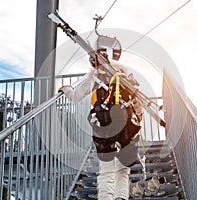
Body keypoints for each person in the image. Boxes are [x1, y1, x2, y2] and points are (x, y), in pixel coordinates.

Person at [59, 59, 143, 200]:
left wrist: (66, 90)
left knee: (106, 171)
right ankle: (121, 197)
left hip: (104, 129)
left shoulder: (94, 75)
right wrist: (137, 120)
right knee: (122, 171)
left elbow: (75, 96)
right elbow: (137, 106)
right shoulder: (124, 77)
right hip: (125, 130)